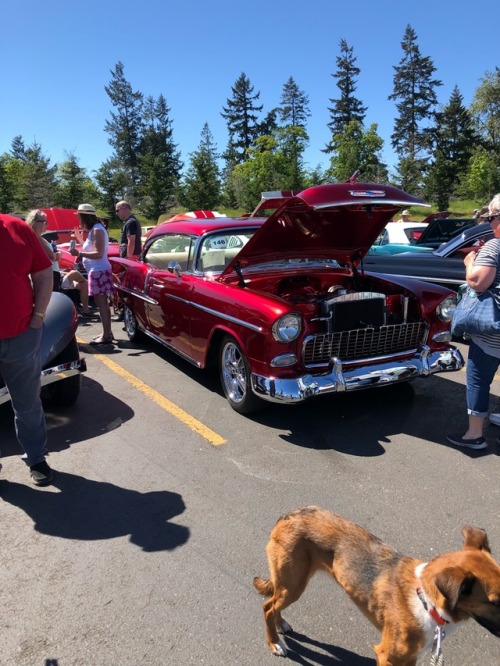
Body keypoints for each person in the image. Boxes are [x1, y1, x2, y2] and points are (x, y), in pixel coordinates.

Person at [0, 213, 54, 485]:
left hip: (21, 334)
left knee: (28, 402)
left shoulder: (18, 228)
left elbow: (44, 272)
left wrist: (38, 318)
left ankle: (35, 458)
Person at [447, 193, 500, 450]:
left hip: (494, 330)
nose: (489, 223)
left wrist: (469, 261)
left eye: (491, 217)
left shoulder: (494, 246)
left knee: (478, 379)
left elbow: (478, 282)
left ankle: (474, 435)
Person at [69, 204, 113, 345]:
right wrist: (80, 240)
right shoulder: (96, 230)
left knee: (102, 305)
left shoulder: (97, 231)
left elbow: (99, 253)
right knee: (103, 305)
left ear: (85, 217)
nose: (79, 220)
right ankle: (107, 332)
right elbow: (94, 249)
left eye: (80, 217)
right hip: (98, 271)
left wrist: (79, 253)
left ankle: (106, 335)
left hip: (99, 271)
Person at [25, 209, 62, 291]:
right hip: (48, 274)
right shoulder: (36, 237)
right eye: (44, 222)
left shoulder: (37, 237)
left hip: (49, 273)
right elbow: (52, 256)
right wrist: (58, 254)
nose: (47, 224)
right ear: (36, 223)